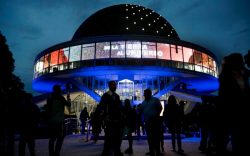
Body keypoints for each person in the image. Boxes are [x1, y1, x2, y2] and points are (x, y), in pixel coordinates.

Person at [216, 53, 250, 155]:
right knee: (235, 134)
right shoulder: (225, 77)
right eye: (240, 61)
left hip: (242, 109)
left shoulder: (244, 74)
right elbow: (224, 95)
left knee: (239, 136)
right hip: (231, 110)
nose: (243, 62)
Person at [99, 80, 124, 156]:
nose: (114, 86)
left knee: (117, 136)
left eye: (115, 85)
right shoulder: (106, 95)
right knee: (109, 137)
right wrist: (104, 117)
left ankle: (116, 151)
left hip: (117, 119)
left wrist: (121, 116)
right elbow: (102, 107)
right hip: (109, 119)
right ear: (109, 86)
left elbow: (119, 107)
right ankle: (106, 152)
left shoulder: (117, 96)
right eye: (112, 85)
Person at [45, 85, 71, 156]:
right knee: (60, 138)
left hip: (52, 121)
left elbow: (48, 110)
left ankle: (51, 153)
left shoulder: (49, 98)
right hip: (59, 121)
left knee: (52, 138)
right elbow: (69, 104)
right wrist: (68, 97)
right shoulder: (61, 98)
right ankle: (57, 153)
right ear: (59, 90)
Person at [141, 89, 162, 156]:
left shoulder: (155, 100)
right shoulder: (143, 102)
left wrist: (156, 115)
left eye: (145, 93)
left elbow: (160, 108)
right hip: (148, 122)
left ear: (149, 93)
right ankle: (151, 151)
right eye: (144, 93)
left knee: (156, 137)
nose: (144, 95)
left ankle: (157, 151)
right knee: (150, 138)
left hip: (155, 122)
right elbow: (141, 111)